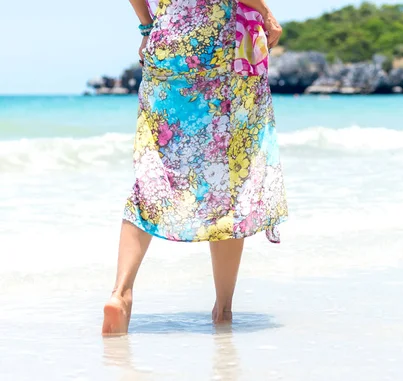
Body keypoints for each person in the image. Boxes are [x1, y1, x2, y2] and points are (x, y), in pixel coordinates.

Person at [102, 0, 288, 336]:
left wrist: (147, 27)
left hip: (168, 41)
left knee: (154, 172)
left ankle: (121, 292)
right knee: (232, 179)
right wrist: (267, 14)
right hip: (226, 46)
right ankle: (224, 310)